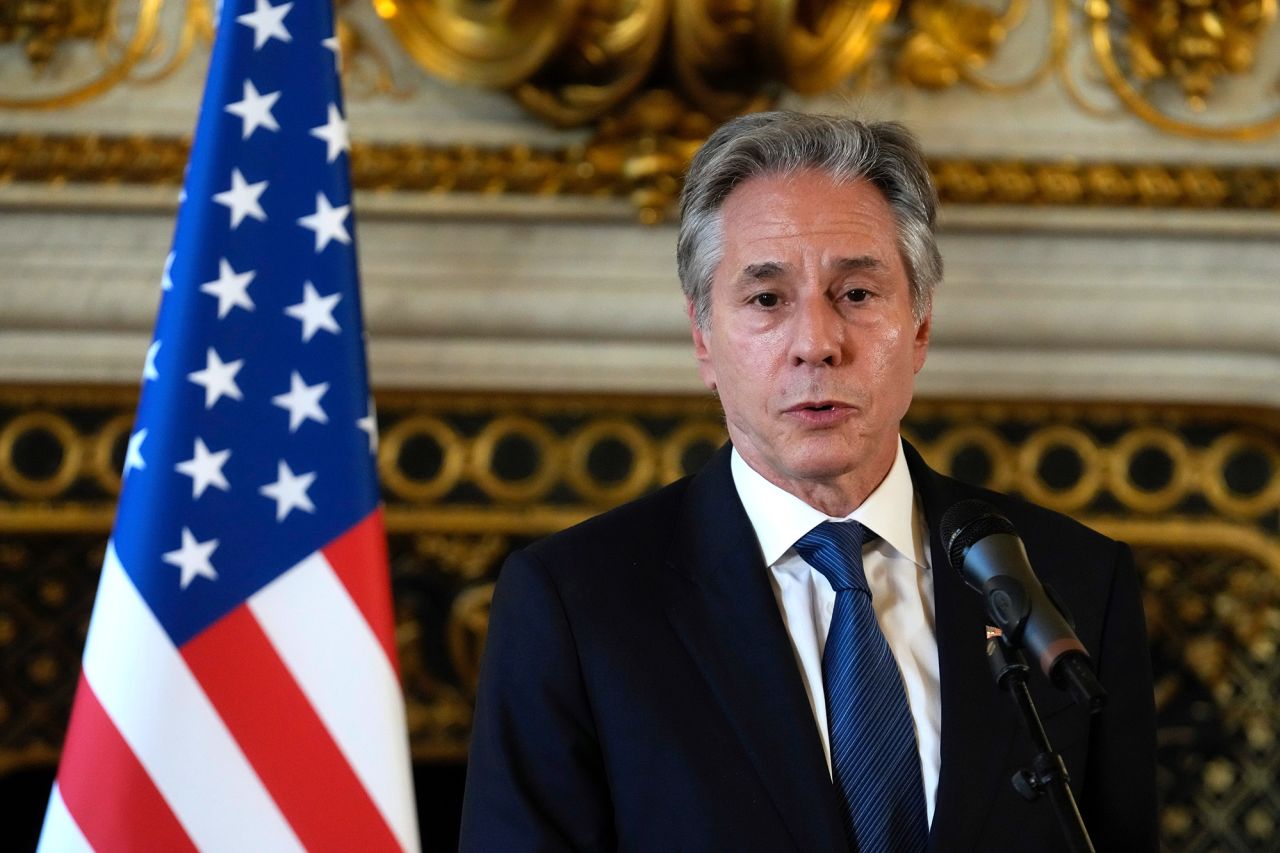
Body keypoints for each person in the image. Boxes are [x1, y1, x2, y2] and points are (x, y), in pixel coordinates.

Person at [459, 111, 1157, 852]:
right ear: (703, 338)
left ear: (919, 327)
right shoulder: (576, 604)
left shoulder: (1076, 580)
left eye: (856, 294)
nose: (817, 343)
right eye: (766, 299)